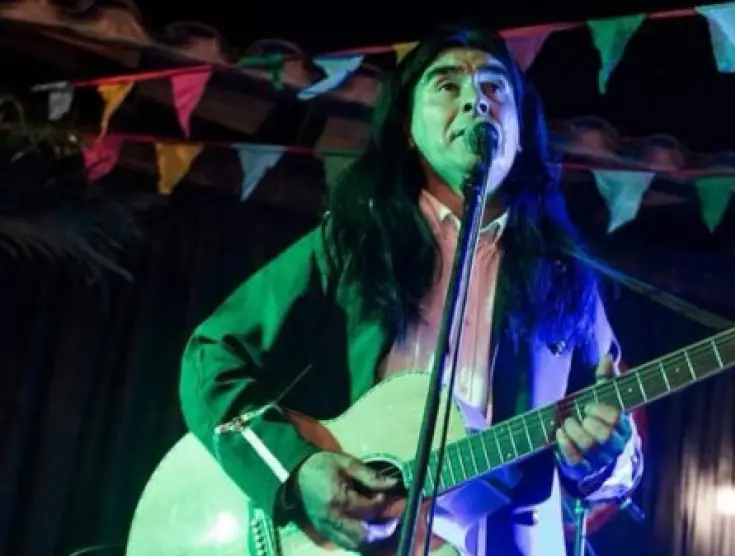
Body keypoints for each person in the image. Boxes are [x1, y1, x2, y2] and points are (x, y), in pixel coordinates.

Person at [178, 26, 643, 556]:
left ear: (520, 130)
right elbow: (211, 359)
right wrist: (296, 470)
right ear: (407, 128)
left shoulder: (567, 278)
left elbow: (616, 464)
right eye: (446, 85)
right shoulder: (352, 245)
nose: (476, 101)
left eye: (495, 88)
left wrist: (605, 460)